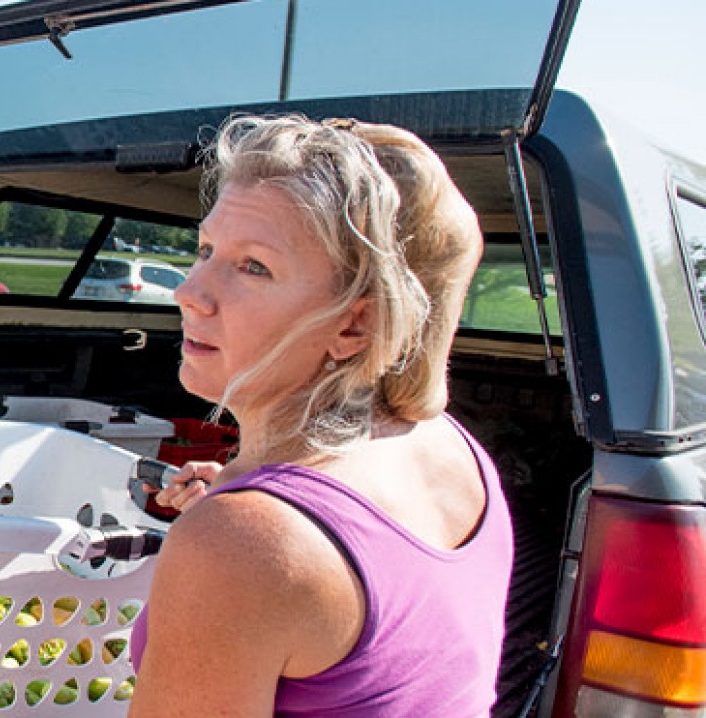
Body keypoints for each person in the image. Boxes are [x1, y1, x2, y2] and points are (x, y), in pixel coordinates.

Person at [128, 115, 513, 716]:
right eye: (206, 250)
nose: (189, 291)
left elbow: (280, 555)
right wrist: (242, 494)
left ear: (354, 324)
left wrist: (243, 527)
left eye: (254, 266)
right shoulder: (452, 451)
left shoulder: (238, 546)